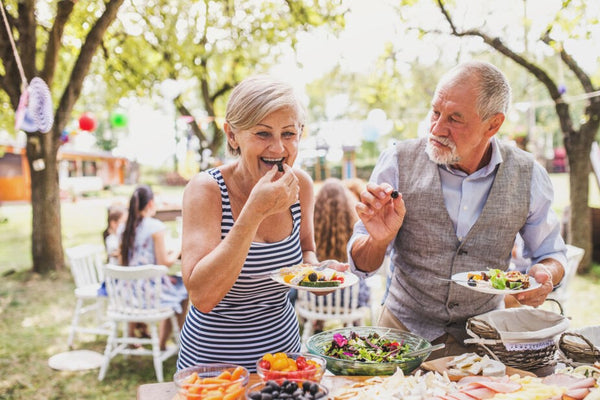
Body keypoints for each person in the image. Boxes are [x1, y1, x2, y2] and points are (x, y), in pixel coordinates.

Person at [347, 60, 567, 357]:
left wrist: (545, 274)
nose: (437, 128)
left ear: (493, 124)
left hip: (485, 340)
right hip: (401, 337)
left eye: (455, 118)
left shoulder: (528, 175)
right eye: (435, 112)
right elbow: (361, 265)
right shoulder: (397, 161)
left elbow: (552, 254)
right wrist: (379, 239)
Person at [177, 75, 340, 372]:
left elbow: (306, 251)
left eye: (288, 134)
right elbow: (202, 296)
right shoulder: (206, 190)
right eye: (263, 134)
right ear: (232, 135)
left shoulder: (300, 184)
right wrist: (253, 212)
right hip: (214, 367)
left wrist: (318, 274)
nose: (278, 149)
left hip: (283, 361)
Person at [120, 185, 188, 350]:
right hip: (149, 295)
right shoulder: (155, 227)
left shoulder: (124, 227)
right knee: (183, 289)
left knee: (171, 284)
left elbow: (123, 260)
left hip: (125, 293)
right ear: (150, 204)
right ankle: (164, 342)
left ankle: (130, 338)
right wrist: (179, 247)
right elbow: (164, 262)